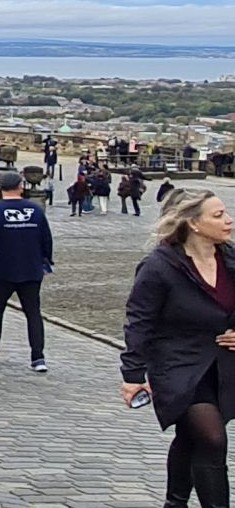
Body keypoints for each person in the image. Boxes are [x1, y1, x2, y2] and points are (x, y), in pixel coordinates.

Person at [122, 189, 235, 508]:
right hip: (177, 367)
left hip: (223, 367)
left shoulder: (230, 258)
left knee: (191, 436)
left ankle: (175, 503)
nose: (228, 220)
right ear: (193, 224)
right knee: (212, 439)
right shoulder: (159, 266)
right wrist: (132, 375)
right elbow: (139, 321)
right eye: (218, 215)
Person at [0, 172, 54, 372]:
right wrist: (46, 262)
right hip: (31, 269)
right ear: (20, 186)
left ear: (0, 188)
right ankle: (38, 358)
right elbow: (46, 239)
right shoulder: (35, 210)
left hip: (3, 270)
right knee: (33, 313)